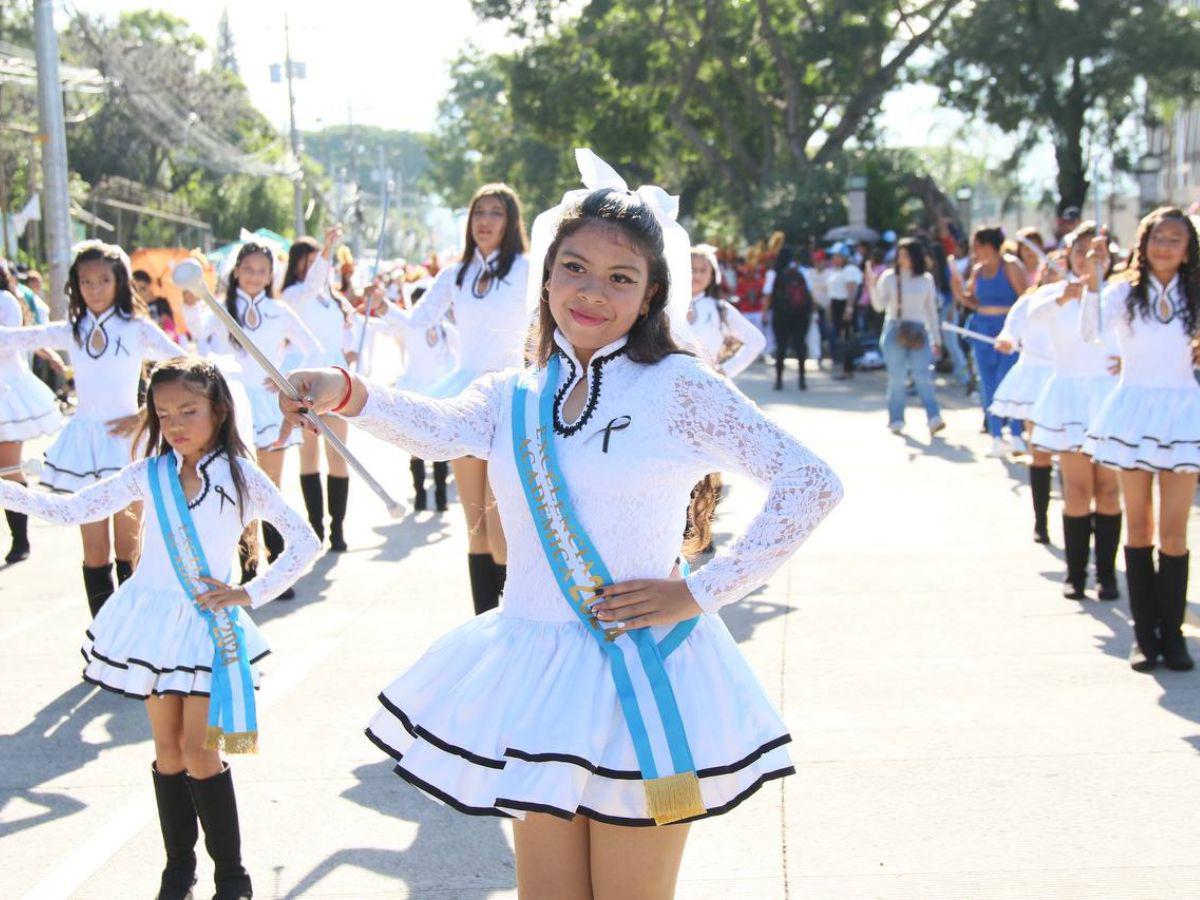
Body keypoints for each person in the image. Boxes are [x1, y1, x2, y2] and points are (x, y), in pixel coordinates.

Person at [281, 152, 843, 899]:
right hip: (539, 676)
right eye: (574, 268)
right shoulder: (514, 394)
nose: (591, 292)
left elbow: (812, 481)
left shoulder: (677, 386)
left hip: (648, 678)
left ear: (649, 298)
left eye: (620, 279)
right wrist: (343, 389)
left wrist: (702, 591)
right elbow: (436, 426)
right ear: (545, 279)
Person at [0, 358, 319, 899]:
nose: (175, 423)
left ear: (219, 410)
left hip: (207, 627)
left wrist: (249, 593)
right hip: (151, 629)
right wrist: (8, 489)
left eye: (189, 410)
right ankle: (178, 870)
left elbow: (304, 540)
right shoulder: (149, 473)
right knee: (168, 752)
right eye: (164, 412)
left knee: (201, 751)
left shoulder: (241, 474)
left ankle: (232, 876)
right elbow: (72, 508)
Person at [0, 241, 182, 614]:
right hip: (84, 445)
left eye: (103, 280)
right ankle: (103, 638)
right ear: (75, 286)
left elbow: (183, 364)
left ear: (120, 281)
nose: (94, 288)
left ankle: (133, 633)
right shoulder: (73, 329)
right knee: (94, 549)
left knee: (128, 546)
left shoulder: (137, 328)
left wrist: (148, 413)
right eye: (86, 281)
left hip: (128, 443)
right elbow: (16, 338)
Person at [386, 184, 530, 615]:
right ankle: (483, 622)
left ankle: (516, 616)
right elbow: (417, 322)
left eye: (495, 213)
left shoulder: (527, 268)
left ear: (511, 222)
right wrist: (381, 305)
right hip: (467, 397)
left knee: (505, 522)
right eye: (478, 212)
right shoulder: (455, 274)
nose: (484, 221)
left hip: (512, 397)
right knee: (476, 524)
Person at [1080, 207, 1200, 672]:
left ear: (1188, 248)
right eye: (1157, 237)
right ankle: (1143, 636)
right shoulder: (1121, 292)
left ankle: (1173, 636)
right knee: (1140, 527)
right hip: (1133, 411)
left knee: (1174, 532)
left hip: (1183, 412)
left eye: (1175, 238)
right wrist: (1093, 275)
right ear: (1143, 242)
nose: (1164, 246)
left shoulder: (1195, 294)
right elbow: (1090, 334)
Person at [203, 240, 323, 596]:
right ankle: (249, 569)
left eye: (262, 271)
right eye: (248, 269)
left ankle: (278, 574)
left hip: (271, 407)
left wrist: (286, 374)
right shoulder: (218, 310)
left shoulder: (278, 310)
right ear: (236, 270)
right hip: (230, 405)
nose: (255, 276)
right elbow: (198, 351)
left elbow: (313, 348)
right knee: (239, 491)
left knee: (270, 489)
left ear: (272, 275)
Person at [1027, 223, 1122, 599]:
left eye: (1095, 252)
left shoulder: (1118, 295)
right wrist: (1062, 298)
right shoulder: (1054, 295)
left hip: (1109, 397)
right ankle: (1077, 572)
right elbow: (1031, 319)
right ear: (1069, 255)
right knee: (1077, 488)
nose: (1088, 259)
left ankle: (1108, 575)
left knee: (1109, 490)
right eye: (1080, 251)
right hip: (1069, 397)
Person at [280, 226, 356, 552]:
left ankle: (337, 527)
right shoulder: (294, 296)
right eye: (311, 262)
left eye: (321, 262)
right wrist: (328, 245)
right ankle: (316, 527)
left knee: (338, 454)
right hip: (306, 384)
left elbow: (344, 339)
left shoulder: (334, 300)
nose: (319, 269)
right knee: (309, 456)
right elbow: (313, 282)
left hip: (336, 380)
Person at [992, 251, 1063, 544]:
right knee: (1040, 451)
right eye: (1049, 268)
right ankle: (1041, 520)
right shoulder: (1028, 302)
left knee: (1073, 453)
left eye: (1060, 267)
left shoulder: (1083, 300)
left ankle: (1080, 516)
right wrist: (1007, 339)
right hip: (1035, 379)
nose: (1053, 273)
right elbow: (1011, 328)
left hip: (1069, 380)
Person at [377, 280, 460, 512]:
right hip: (415, 392)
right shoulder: (409, 327)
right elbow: (389, 321)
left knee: (440, 444)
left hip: (442, 393)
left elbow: (462, 358)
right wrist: (379, 305)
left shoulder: (447, 330)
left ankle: (441, 495)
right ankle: (421, 494)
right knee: (416, 444)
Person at [0, 264, 63, 563]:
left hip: (7, 392)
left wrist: (50, 355)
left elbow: (10, 342)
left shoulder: (6, 301)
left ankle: (20, 538)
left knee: (8, 470)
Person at [951, 226, 1030, 457]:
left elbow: (1026, 298)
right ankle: (996, 436)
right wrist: (957, 288)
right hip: (982, 330)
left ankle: (1016, 434)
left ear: (988, 246)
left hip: (1007, 330)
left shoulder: (1012, 266)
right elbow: (971, 300)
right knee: (988, 385)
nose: (974, 251)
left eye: (977, 246)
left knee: (1009, 382)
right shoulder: (978, 270)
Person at [870, 238, 945, 435]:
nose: (901, 259)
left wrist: (937, 339)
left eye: (905, 254)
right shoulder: (889, 277)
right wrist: (871, 285)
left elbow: (931, 311)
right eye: (899, 254)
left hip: (919, 331)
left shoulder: (925, 279)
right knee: (897, 378)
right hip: (895, 329)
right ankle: (896, 419)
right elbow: (879, 306)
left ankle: (934, 417)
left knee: (923, 376)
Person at [687, 243, 766, 379]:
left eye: (703, 270)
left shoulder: (720, 309)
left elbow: (756, 341)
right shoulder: (666, 307)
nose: (697, 274)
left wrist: (725, 371)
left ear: (713, 274)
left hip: (706, 385)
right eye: (692, 269)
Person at [764, 247, 815, 390]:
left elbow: (767, 295)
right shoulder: (802, 272)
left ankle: (779, 380)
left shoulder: (773, 273)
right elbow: (809, 293)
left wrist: (765, 314)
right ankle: (802, 379)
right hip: (801, 315)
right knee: (800, 346)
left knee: (781, 347)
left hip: (781, 315)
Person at [826, 244, 862, 379]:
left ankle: (848, 369)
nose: (834, 259)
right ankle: (845, 368)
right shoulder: (835, 271)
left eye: (836, 256)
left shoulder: (850, 270)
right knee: (841, 338)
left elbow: (851, 292)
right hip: (836, 306)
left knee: (847, 337)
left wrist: (849, 309)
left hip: (844, 307)